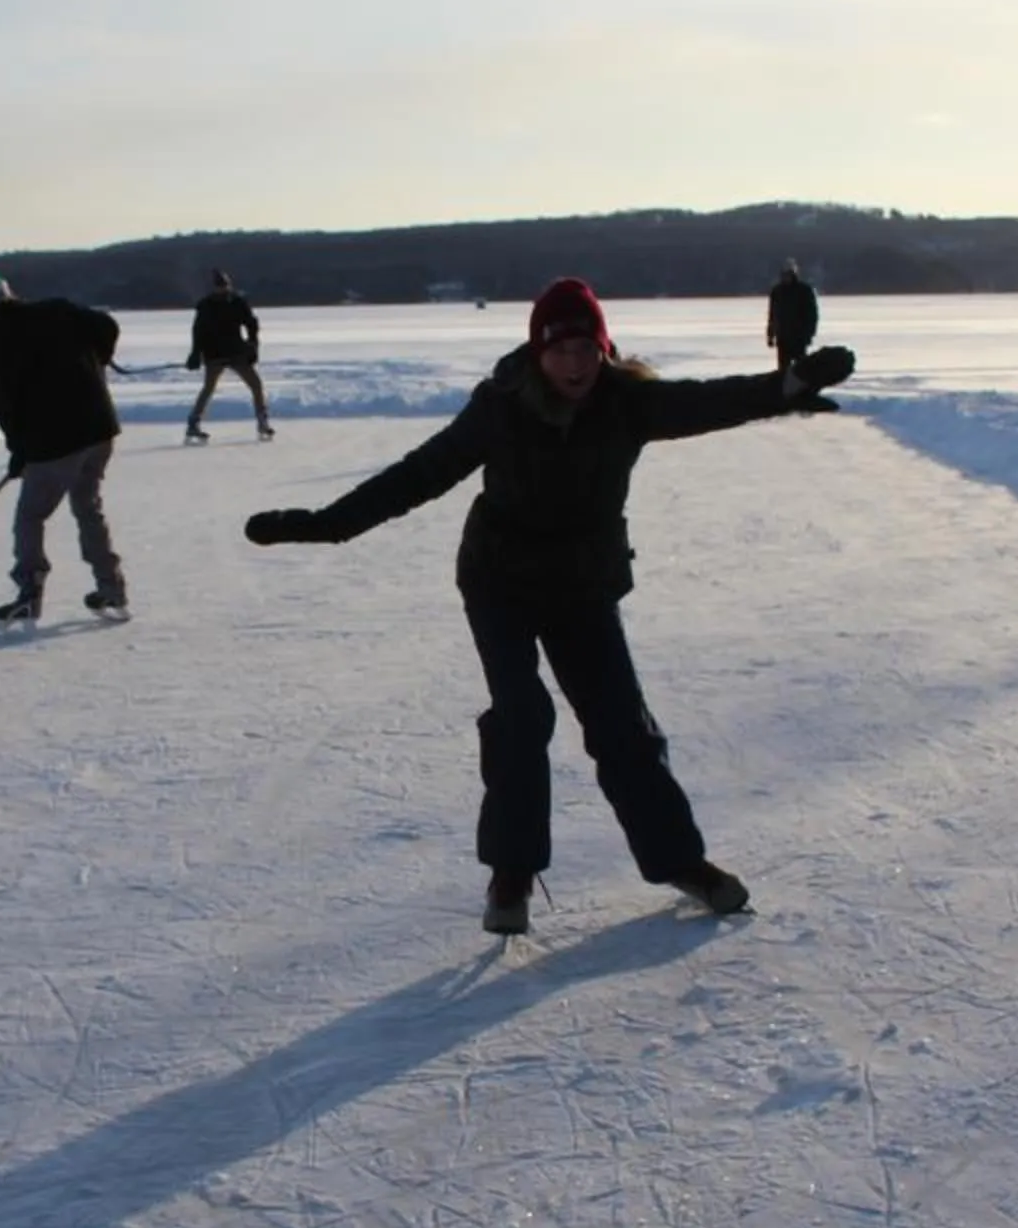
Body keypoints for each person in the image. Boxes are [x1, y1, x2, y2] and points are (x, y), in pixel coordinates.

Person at [242, 276, 855, 934]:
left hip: (583, 585)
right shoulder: (501, 406)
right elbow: (421, 473)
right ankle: (511, 873)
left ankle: (680, 860)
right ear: (538, 352)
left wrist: (789, 385)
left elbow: (711, 402)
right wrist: (326, 524)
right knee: (521, 716)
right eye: (560, 351)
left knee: (623, 726)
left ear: (604, 350)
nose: (575, 365)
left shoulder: (627, 403)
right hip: (500, 582)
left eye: (586, 350)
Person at [0, 255, 130, 625]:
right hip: (99, 429)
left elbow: (8, 410)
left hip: (57, 443)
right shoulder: (57, 309)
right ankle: (112, 588)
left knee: (30, 516)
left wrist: (19, 453)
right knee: (88, 507)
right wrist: (98, 360)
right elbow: (106, 325)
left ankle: (28, 593)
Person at [183, 268, 273, 443]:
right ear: (214, 287)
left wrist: (253, 345)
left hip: (236, 352)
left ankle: (262, 421)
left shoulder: (238, 302)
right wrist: (195, 353)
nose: (222, 289)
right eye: (219, 286)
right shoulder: (206, 305)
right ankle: (193, 424)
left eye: (224, 285)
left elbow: (251, 324)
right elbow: (198, 331)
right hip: (214, 354)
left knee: (255, 384)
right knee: (208, 389)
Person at [766, 259, 819, 375]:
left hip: (799, 338)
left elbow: (812, 316)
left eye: (787, 274)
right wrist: (770, 335)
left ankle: (802, 391)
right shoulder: (777, 291)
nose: (785, 277)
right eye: (783, 274)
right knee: (783, 371)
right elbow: (772, 315)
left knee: (801, 370)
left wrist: (809, 335)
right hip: (782, 338)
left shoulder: (804, 290)